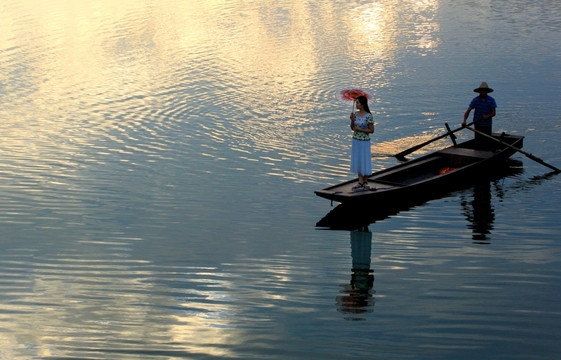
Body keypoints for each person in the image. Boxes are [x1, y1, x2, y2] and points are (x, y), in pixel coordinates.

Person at [350, 95, 375, 191]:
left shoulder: (369, 116)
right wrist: (352, 121)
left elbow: (371, 130)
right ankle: (360, 181)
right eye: (356, 102)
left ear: (363, 104)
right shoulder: (355, 114)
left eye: (358, 102)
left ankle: (365, 181)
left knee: (364, 159)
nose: (356, 104)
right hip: (356, 140)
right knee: (358, 160)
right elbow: (352, 128)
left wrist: (360, 129)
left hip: (364, 141)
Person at [462, 82, 497, 147]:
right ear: (479, 91)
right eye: (481, 90)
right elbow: (468, 111)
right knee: (478, 141)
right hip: (478, 124)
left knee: (487, 141)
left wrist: (487, 116)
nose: (482, 91)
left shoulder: (491, 100)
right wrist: (464, 121)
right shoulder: (475, 100)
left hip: (487, 124)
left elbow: (493, 113)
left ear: (486, 91)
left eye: (484, 90)